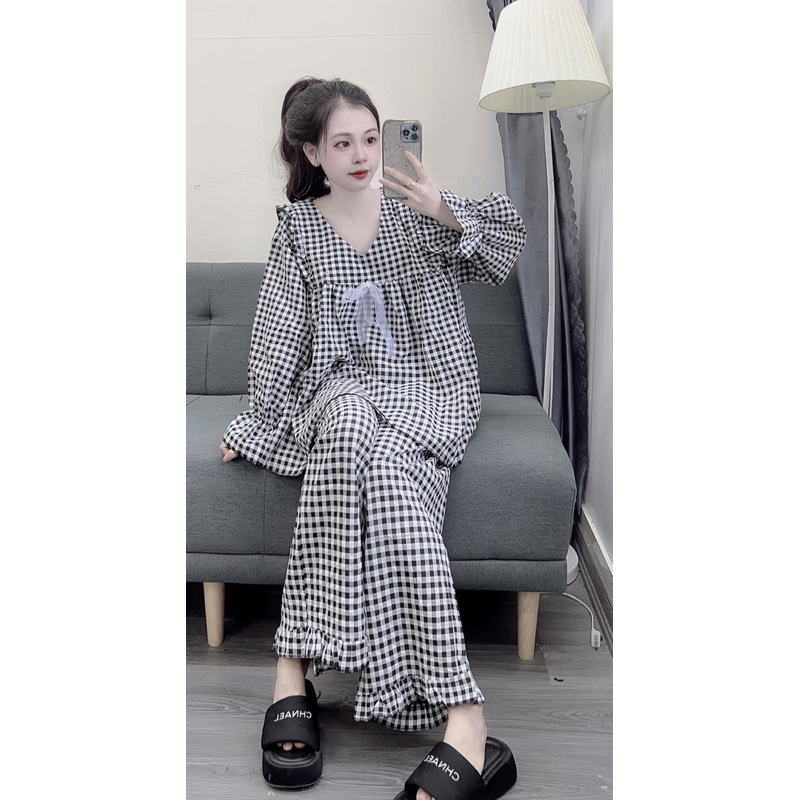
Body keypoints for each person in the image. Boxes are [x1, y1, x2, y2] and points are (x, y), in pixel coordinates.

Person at [220, 76, 526, 800]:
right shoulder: (300, 231)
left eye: (370, 138)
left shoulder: (417, 211)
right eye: (343, 143)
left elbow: (502, 253)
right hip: (343, 387)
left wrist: (443, 210)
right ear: (312, 153)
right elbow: (276, 341)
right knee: (348, 422)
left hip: (430, 389)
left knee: (388, 470)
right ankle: (442, 715)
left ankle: (298, 671)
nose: (362, 156)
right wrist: (262, 421)